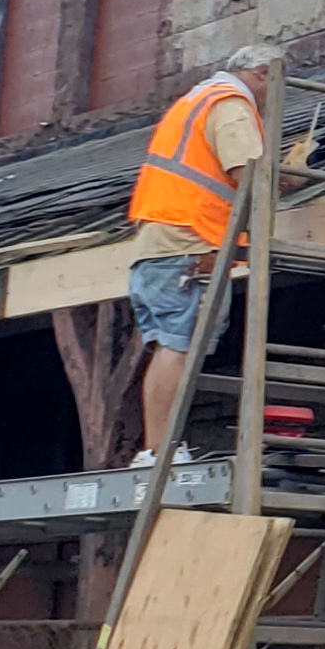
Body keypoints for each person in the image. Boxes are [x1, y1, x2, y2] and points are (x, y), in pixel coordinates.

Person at [127, 68, 265, 461]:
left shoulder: (194, 102)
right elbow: (249, 172)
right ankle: (160, 452)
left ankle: (156, 451)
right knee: (180, 347)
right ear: (262, 74)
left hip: (161, 246)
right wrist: (284, 178)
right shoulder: (231, 104)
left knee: (169, 347)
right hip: (189, 243)